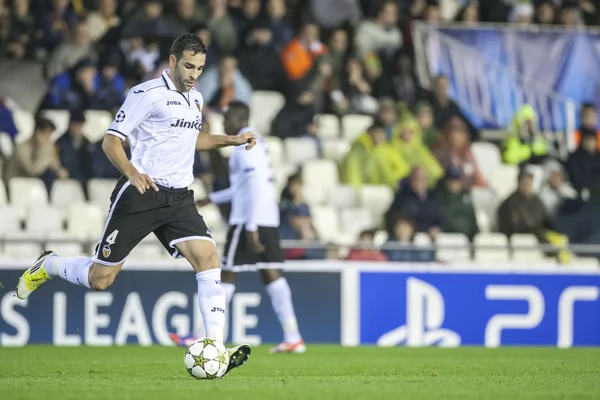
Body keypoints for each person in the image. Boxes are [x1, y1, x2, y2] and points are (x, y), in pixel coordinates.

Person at [15, 34, 256, 377]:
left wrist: (229, 140)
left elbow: (192, 139)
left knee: (208, 258)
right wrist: (132, 170)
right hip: (142, 194)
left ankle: (215, 347)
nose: (193, 74)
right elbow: (111, 140)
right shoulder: (146, 94)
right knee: (101, 279)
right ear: (172, 62)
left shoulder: (197, 99)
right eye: (188, 66)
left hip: (179, 197)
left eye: (200, 68)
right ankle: (50, 265)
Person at [171, 101, 306, 353]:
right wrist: (212, 198)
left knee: (225, 275)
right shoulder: (256, 142)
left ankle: (201, 335)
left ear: (239, 118)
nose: (224, 122)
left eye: (227, 117)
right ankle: (293, 336)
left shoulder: (247, 145)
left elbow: (253, 184)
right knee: (270, 274)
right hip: (265, 217)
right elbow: (243, 187)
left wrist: (252, 227)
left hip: (248, 220)